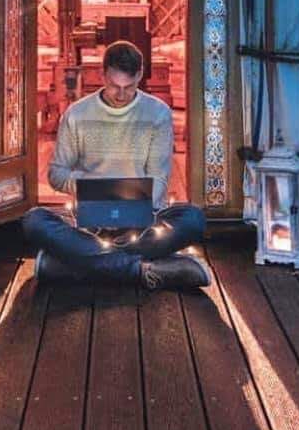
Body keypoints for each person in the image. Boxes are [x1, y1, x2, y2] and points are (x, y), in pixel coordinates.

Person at [23, 40, 211, 291]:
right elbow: (57, 174)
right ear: (102, 75)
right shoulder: (77, 114)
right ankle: (141, 270)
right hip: (90, 225)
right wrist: (90, 188)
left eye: (129, 86)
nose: (121, 94)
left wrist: (130, 206)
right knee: (34, 221)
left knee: (193, 219)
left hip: (142, 226)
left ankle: (73, 264)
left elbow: (159, 180)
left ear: (140, 76)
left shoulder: (157, 114)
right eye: (114, 86)